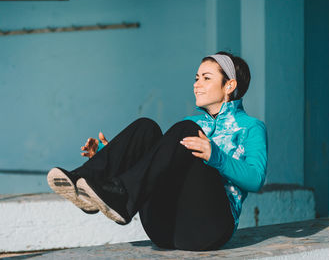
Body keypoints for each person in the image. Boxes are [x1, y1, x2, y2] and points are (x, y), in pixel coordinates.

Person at [47, 51, 268, 251]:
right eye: (196, 78)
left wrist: (215, 157)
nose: (196, 84)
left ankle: (121, 197)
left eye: (206, 78)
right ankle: (85, 180)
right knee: (146, 127)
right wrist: (108, 153)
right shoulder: (191, 122)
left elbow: (256, 179)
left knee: (187, 130)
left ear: (229, 86)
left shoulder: (251, 127)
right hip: (164, 228)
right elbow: (157, 162)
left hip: (207, 230)